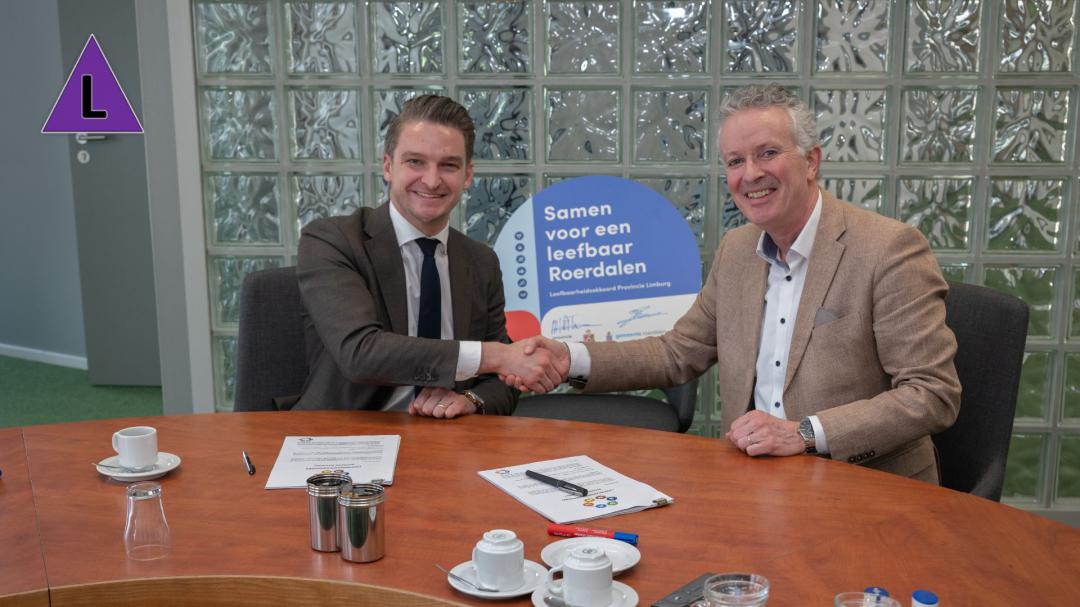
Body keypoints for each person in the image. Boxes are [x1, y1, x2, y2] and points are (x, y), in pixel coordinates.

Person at [510, 84, 961, 482]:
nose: (750, 175)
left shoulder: (888, 249)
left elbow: (931, 394)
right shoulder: (738, 250)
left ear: (811, 162)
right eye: (735, 161)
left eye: (767, 153)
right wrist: (570, 359)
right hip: (757, 481)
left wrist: (805, 433)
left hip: (864, 486)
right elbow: (677, 354)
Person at [294, 95, 565, 418]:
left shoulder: (481, 262)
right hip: (344, 433)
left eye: (448, 165)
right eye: (415, 162)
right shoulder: (334, 240)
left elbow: (502, 382)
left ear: (467, 175)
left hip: (446, 436)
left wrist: (471, 400)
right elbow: (360, 353)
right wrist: (495, 356)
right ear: (388, 166)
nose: (432, 180)